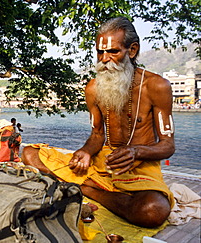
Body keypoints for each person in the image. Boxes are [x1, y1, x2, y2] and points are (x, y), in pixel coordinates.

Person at [22, 17, 175, 228]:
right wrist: (85, 152)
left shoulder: (157, 86)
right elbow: (97, 135)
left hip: (141, 169)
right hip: (103, 163)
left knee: (152, 211)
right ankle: (97, 189)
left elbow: (168, 145)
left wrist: (136, 152)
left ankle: (86, 189)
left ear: (132, 50)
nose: (104, 59)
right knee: (30, 153)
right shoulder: (93, 88)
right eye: (100, 52)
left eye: (113, 52)